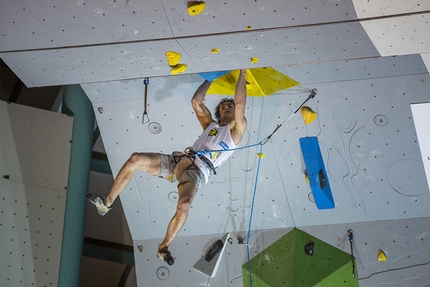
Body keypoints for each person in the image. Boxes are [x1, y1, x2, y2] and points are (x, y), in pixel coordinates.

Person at [86, 69, 248, 266]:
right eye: (223, 105)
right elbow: (196, 101)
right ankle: (107, 203)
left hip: (197, 171)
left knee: (184, 205)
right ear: (219, 111)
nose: (228, 107)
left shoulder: (236, 131)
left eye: (230, 105)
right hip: (179, 162)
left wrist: (243, 72)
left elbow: (240, 103)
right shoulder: (211, 126)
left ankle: (163, 247)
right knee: (135, 159)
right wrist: (210, 79)